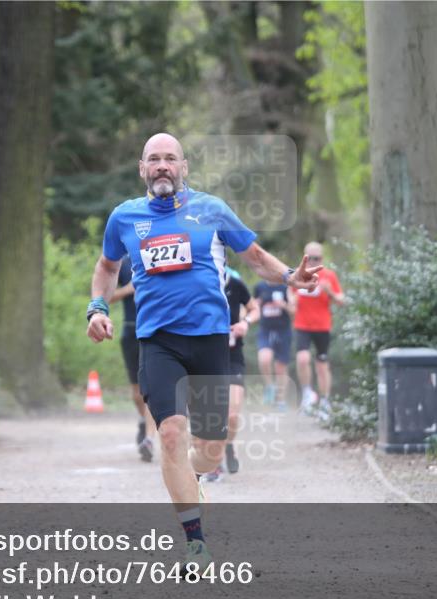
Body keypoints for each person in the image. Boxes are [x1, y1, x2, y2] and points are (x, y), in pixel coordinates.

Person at [86, 133, 320, 570]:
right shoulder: (125, 217)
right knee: (171, 434)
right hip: (158, 341)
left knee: (211, 447)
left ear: (184, 167)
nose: (162, 166)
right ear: (142, 169)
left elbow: (253, 256)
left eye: (169, 159)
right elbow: (107, 267)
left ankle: (193, 479)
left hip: (211, 339)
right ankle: (195, 542)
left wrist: (291, 275)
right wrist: (97, 307)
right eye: (153, 159)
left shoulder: (211, 209)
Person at [203, 266, 258, 481]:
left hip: (233, 358)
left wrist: (245, 323)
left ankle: (228, 444)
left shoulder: (235, 284)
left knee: (232, 415)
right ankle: (214, 463)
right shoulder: (198, 284)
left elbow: (254, 309)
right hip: (205, 357)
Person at [289, 241, 344, 417]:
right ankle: (307, 394)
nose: (313, 262)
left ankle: (325, 401)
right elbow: (290, 301)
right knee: (302, 358)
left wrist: (330, 292)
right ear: (304, 258)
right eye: (309, 258)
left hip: (322, 326)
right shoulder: (297, 275)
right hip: (302, 325)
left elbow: (341, 301)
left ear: (322, 258)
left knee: (322, 365)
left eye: (317, 258)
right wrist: (291, 302)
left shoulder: (329, 276)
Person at [111, 255, 157, 462]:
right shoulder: (123, 263)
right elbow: (107, 297)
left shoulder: (160, 254)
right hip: (131, 332)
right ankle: (143, 420)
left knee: (152, 389)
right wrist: (129, 288)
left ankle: (149, 438)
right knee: (138, 393)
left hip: (156, 332)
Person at [250, 279, 294, 411]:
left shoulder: (285, 288)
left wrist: (283, 305)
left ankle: (280, 401)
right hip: (265, 330)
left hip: (283, 331)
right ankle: (270, 386)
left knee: (280, 368)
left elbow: (294, 311)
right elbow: (251, 308)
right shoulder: (259, 287)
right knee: (264, 359)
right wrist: (256, 305)